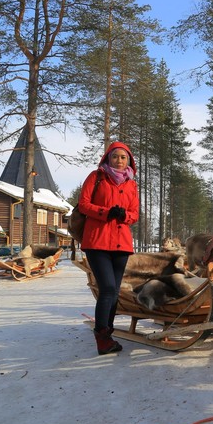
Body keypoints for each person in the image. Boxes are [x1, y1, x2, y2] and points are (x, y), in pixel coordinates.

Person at [78, 141, 139, 355]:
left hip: (121, 244)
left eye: (123, 157)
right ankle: (102, 338)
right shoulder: (96, 177)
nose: (119, 161)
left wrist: (124, 215)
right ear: (107, 158)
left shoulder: (131, 184)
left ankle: (108, 335)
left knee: (114, 293)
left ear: (128, 160)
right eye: (115, 156)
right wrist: (106, 212)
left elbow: (135, 213)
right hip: (97, 241)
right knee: (107, 289)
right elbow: (83, 204)